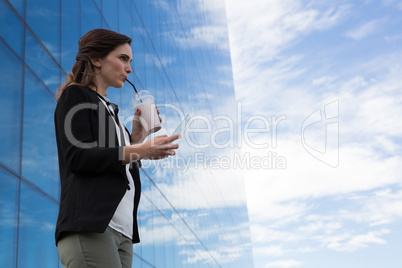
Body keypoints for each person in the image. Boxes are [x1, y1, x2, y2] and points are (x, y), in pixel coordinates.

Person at [54, 28, 179, 268]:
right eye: (123, 59)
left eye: (130, 61)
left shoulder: (112, 112)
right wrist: (142, 150)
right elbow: (78, 157)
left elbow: (111, 161)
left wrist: (136, 139)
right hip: (92, 226)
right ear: (96, 59)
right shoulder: (76, 96)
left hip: (123, 232)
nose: (129, 69)